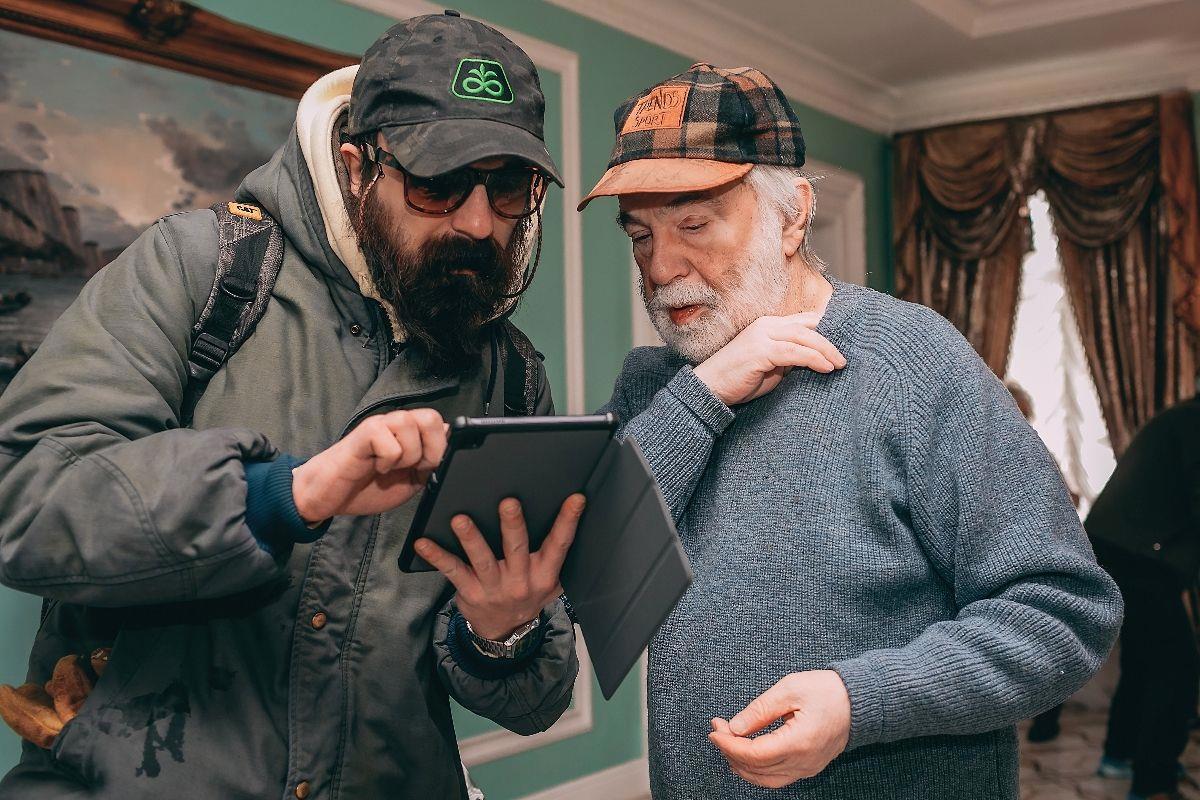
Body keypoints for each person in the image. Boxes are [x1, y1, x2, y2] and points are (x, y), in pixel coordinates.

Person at [0, 13, 582, 799]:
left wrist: (504, 632)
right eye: (437, 184)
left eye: (508, 187)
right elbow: (26, 497)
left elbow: (533, 700)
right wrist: (281, 495)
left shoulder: (512, 376)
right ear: (356, 166)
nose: (479, 222)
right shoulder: (200, 270)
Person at [579, 63, 1123, 799]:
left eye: (695, 225)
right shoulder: (655, 386)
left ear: (792, 218)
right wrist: (700, 397)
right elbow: (581, 583)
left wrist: (858, 702)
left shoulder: (913, 359)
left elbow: (1064, 610)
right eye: (641, 236)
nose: (661, 267)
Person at [1084, 384, 1200, 800]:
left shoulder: (1181, 418)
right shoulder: (1194, 423)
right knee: (1177, 670)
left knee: (1144, 662)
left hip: (1117, 550)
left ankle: (1119, 754)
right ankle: (1153, 784)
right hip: (1138, 557)